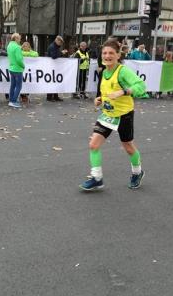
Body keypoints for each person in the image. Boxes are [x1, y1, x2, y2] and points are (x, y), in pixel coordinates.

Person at [79, 38, 147, 192]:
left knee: (128, 147)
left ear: (118, 55)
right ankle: (97, 178)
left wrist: (124, 91)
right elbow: (108, 94)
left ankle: (137, 172)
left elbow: (141, 86)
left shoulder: (122, 71)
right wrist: (100, 100)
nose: (107, 56)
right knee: (93, 144)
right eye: (104, 53)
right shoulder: (104, 71)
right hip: (108, 114)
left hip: (124, 115)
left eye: (111, 53)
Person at [46, 35, 67, 101]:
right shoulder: (52, 46)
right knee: (52, 82)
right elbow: (54, 56)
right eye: (60, 42)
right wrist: (61, 53)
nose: (61, 44)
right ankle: (49, 97)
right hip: (51, 66)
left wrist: (61, 53)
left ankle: (55, 96)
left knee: (55, 81)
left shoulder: (55, 46)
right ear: (57, 40)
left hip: (54, 66)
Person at [7, 33, 25, 108]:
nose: (20, 40)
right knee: (18, 86)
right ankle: (13, 101)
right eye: (19, 38)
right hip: (17, 69)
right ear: (16, 39)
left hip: (11, 68)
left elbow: (12, 55)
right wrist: (23, 66)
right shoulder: (17, 47)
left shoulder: (9, 46)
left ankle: (11, 100)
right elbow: (19, 59)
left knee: (13, 85)